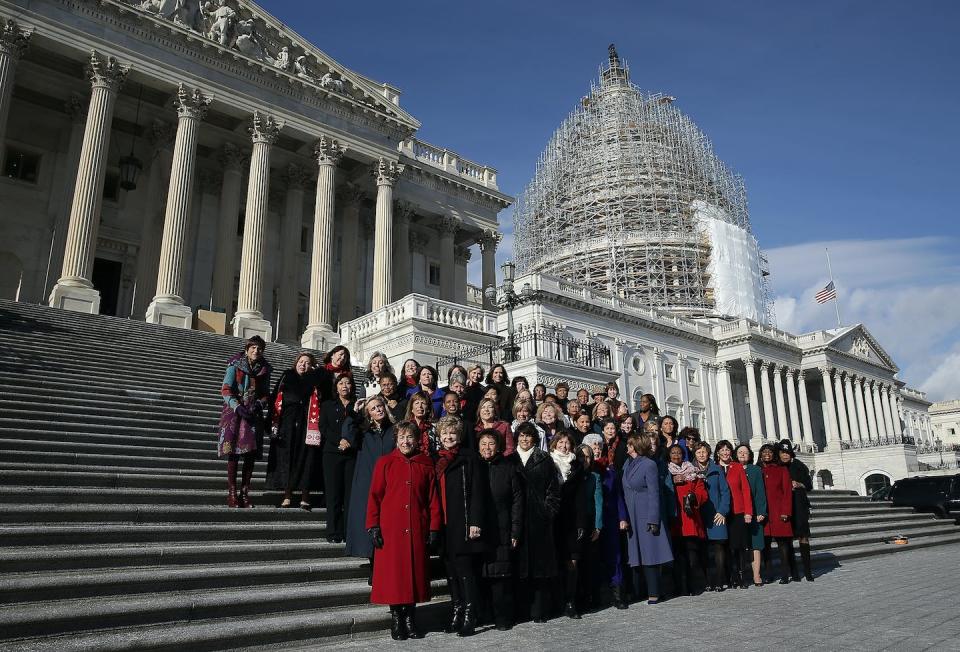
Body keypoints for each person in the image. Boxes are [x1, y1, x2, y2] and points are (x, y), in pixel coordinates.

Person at [366, 421, 441, 640]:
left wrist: (434, 527)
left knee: (414, 575)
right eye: (402, 437)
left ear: (417, 440)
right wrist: (373, 525)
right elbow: (374, 496)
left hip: (417, 527)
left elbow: (432, 500)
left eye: (410, 437)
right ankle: (397, 618)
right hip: (391, 530)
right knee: (394, 576)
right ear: (396, 439)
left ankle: (410, 617)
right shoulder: (385, 462)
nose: (406, 441)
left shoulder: (426, 464)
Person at [434, 416, 488, 637]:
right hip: (443, 523)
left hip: (463, 522)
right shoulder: (436, 460)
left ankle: (469, 614)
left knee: (465, 571)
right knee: (450, 572)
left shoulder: (469, 458)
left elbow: (478, 491)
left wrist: (475, 521)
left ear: (459, 436)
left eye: (452, 433)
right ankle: (456, 610)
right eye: (444, 433)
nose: (448, 437)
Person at [267, 352, 331, 510]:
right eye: (301, 361)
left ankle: (305, 495)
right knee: (287, 458)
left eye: (308, 363)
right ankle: (287, 494)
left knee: (306, 459)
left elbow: (327, 391)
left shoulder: (315, 381)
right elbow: (274, 398)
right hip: (287, 424)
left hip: (307, 425)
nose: (303, 364)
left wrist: (318, 371)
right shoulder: (286, 376)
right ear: (295, 363)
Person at [514, 421, 561, 623]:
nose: (525, 439)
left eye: (528, 435)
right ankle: (521, 610)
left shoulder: (544, 459)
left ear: (535, 438)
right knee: (519, 568)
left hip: (539, 519)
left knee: (539, 569)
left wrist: (547, 511)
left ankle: (539, 610)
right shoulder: (510, 458)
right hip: (516, 519)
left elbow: (553, 489)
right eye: (522, 435)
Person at [477, 428, 523, 631]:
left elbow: (517, 501)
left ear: (498, 446)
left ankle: (503, 617)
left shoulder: (508, 468)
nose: (487, 448)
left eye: (491, 443)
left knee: (501, 577)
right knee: (480, 575)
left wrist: (515, 529)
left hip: (502, 527)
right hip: (478, 530)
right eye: (483, 443)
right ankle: (482, 615)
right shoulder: (474, 466)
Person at [218, 336, 272, 508]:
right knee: (233, 453)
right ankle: (232, 493)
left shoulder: (265, 369)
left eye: (259, 349)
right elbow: (226, 389)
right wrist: (236, 406)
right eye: (253, 348)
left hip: (253, 414)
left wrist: (259, 403)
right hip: (235, 413)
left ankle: (245, 492)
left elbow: (265, 393)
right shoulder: (235, 365)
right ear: (247, 348)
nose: (256, 351)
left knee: (249, 455)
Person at [622, 434, 673, 604]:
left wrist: (653, 518)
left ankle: (654, 591)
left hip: (645, 513)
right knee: (637, 555)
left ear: (636, 446)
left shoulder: (649, 464)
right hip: (631, 513)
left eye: (630, 445)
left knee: (651, 554)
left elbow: (654, 493)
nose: (627, 447)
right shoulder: (627, 464)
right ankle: (640, 591)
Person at [344, 396, 396, 559]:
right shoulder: (364, 432)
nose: (378, 410)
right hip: (367, 481)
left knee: (388, 523)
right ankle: (372, 562)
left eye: (380, 406)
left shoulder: (395, 429)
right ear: (369, 414)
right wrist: (354, 413)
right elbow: (347, 434)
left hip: (390, 482)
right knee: (368, 522)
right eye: (373, 408)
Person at [583, 433, 629, 609]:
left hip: (610, 518)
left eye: (599, 445)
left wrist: (623, 517)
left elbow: (618, 495)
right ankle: (594, 596)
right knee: (593, 558)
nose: (597, 448)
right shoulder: (585, 470)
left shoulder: (610, 471)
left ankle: (618, 595)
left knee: (614, 556)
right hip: (591, 520)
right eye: (593, 445)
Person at [550, 432, 592, 619]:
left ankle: (570, 602)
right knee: (556, 562)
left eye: (567, 443)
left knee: (572, 562)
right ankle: (556, 601)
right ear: (554, 444)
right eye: (561, 442)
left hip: (573, 520)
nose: (564, 446)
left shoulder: (577, 466)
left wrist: (582, 522)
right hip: (553, 520)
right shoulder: (547, 463)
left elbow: (581, 497)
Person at [319, 374, 358, 539]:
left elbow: (360, 426)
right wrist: (339, 441)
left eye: (348, 383)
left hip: (351, 453)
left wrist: (349, 441)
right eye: (341, 383)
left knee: (349, 494)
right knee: (333, 493)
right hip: (332, 453)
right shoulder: (327, 405)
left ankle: (348, 531)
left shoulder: (357, 405)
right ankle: (333, 530)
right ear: (336, 387)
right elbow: (323, 427)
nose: (344, 386)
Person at [666, 444, 708, 596]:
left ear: (683, 455)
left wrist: (693, 498)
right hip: (675, 521)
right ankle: (679, 587)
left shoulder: (692, 471)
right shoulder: (667, 472)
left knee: (692, 556)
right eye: (673, 453)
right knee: (678, 557)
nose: (676, 455)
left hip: (690, 519)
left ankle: (691, 585)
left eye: (678, 453)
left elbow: (702, 492)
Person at [693, 441, 731, 591]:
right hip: (700, 514)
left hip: (716, 514)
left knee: (719, 546)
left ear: (708, 453)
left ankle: (720, 580)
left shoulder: (716, 469)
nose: (702, 454)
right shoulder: (691, 469)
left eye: (704, 452)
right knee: (703, 549)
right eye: (698, 452)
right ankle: (707, 581)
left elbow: (725, 491)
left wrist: (723, 511)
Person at [715, 439, 752, 589]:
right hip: (721, 513)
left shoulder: (737, 467)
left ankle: (742, 576)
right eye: (722, 450)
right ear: (717, 452)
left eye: (727, 449)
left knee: (739, 547)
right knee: (726, 546)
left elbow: (745, 490)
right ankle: (730, 577)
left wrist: (748, 512)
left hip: (738, 511)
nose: (725, 452)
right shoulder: (714, 468)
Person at [759, 443, 795, 584]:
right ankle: (769, 574)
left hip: (779, 511)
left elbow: (787, 492)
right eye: (764, 452)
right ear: (761, 454)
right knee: (766, 546)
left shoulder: (782, 470)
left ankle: (785, 574)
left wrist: (786, 511)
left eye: (769, 452)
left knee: (783, 545)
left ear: (774, 454)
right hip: (765, 513)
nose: (767, 454)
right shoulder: (759, 470)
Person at [779, 439, 814, 581]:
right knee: (788, 539)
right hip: (785, 506)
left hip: (799, 504)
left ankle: (808, 571)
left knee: (803, 537)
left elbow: (809, 485)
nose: (785, 455)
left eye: (787, 452)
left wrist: (799, 484)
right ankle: (794, 572)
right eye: (782, 452)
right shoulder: (778, 467)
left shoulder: (799, 466)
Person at [737, 444, 768, 587]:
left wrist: (762, 511)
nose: (743, 454)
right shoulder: (733, 469)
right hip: (739, 513)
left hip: (755, 512)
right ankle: (743, 574)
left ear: (750, 455)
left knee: (756, 544)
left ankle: (757, 574)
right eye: (740, 452)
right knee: (742, 544)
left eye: (745, 452)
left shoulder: (755, 470)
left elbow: (760, 492)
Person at [404, 391, 437, 455]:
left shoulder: (434, 427)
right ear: (412, 409)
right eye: (417, 403)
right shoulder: (405, 427)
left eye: (423, 403)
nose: (420, 406)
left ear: (428, 409)